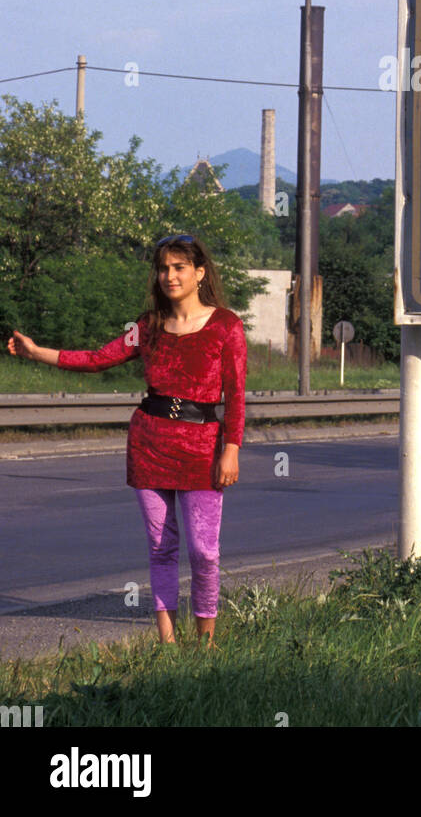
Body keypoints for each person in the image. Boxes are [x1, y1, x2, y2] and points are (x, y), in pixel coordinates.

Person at [5, 234, 247, 646]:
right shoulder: (148, 327)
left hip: (203, 447)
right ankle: (168, 643)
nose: (169, 276)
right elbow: (98, 359)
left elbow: (236, 393)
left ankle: (207, 645)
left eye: (179, 268)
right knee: (161, 546)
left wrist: (231, 450)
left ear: (199, 272)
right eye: (163, 268)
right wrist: (36, 352)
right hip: (150, 443)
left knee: (204, 552)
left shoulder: (226, 325)